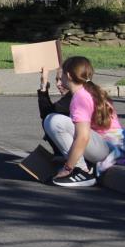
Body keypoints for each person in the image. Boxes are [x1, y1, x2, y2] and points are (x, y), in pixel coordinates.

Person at [44, 56, 125, 188]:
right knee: (57, 120)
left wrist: (68, 168)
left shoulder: (80, 97)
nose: (60, 79)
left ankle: (80, 172)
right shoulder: (91, 91)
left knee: (54, 121)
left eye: (61, 75)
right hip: (114, 145)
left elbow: (83, 137)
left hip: (107, 148)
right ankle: (78, 166)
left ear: (68, 75)